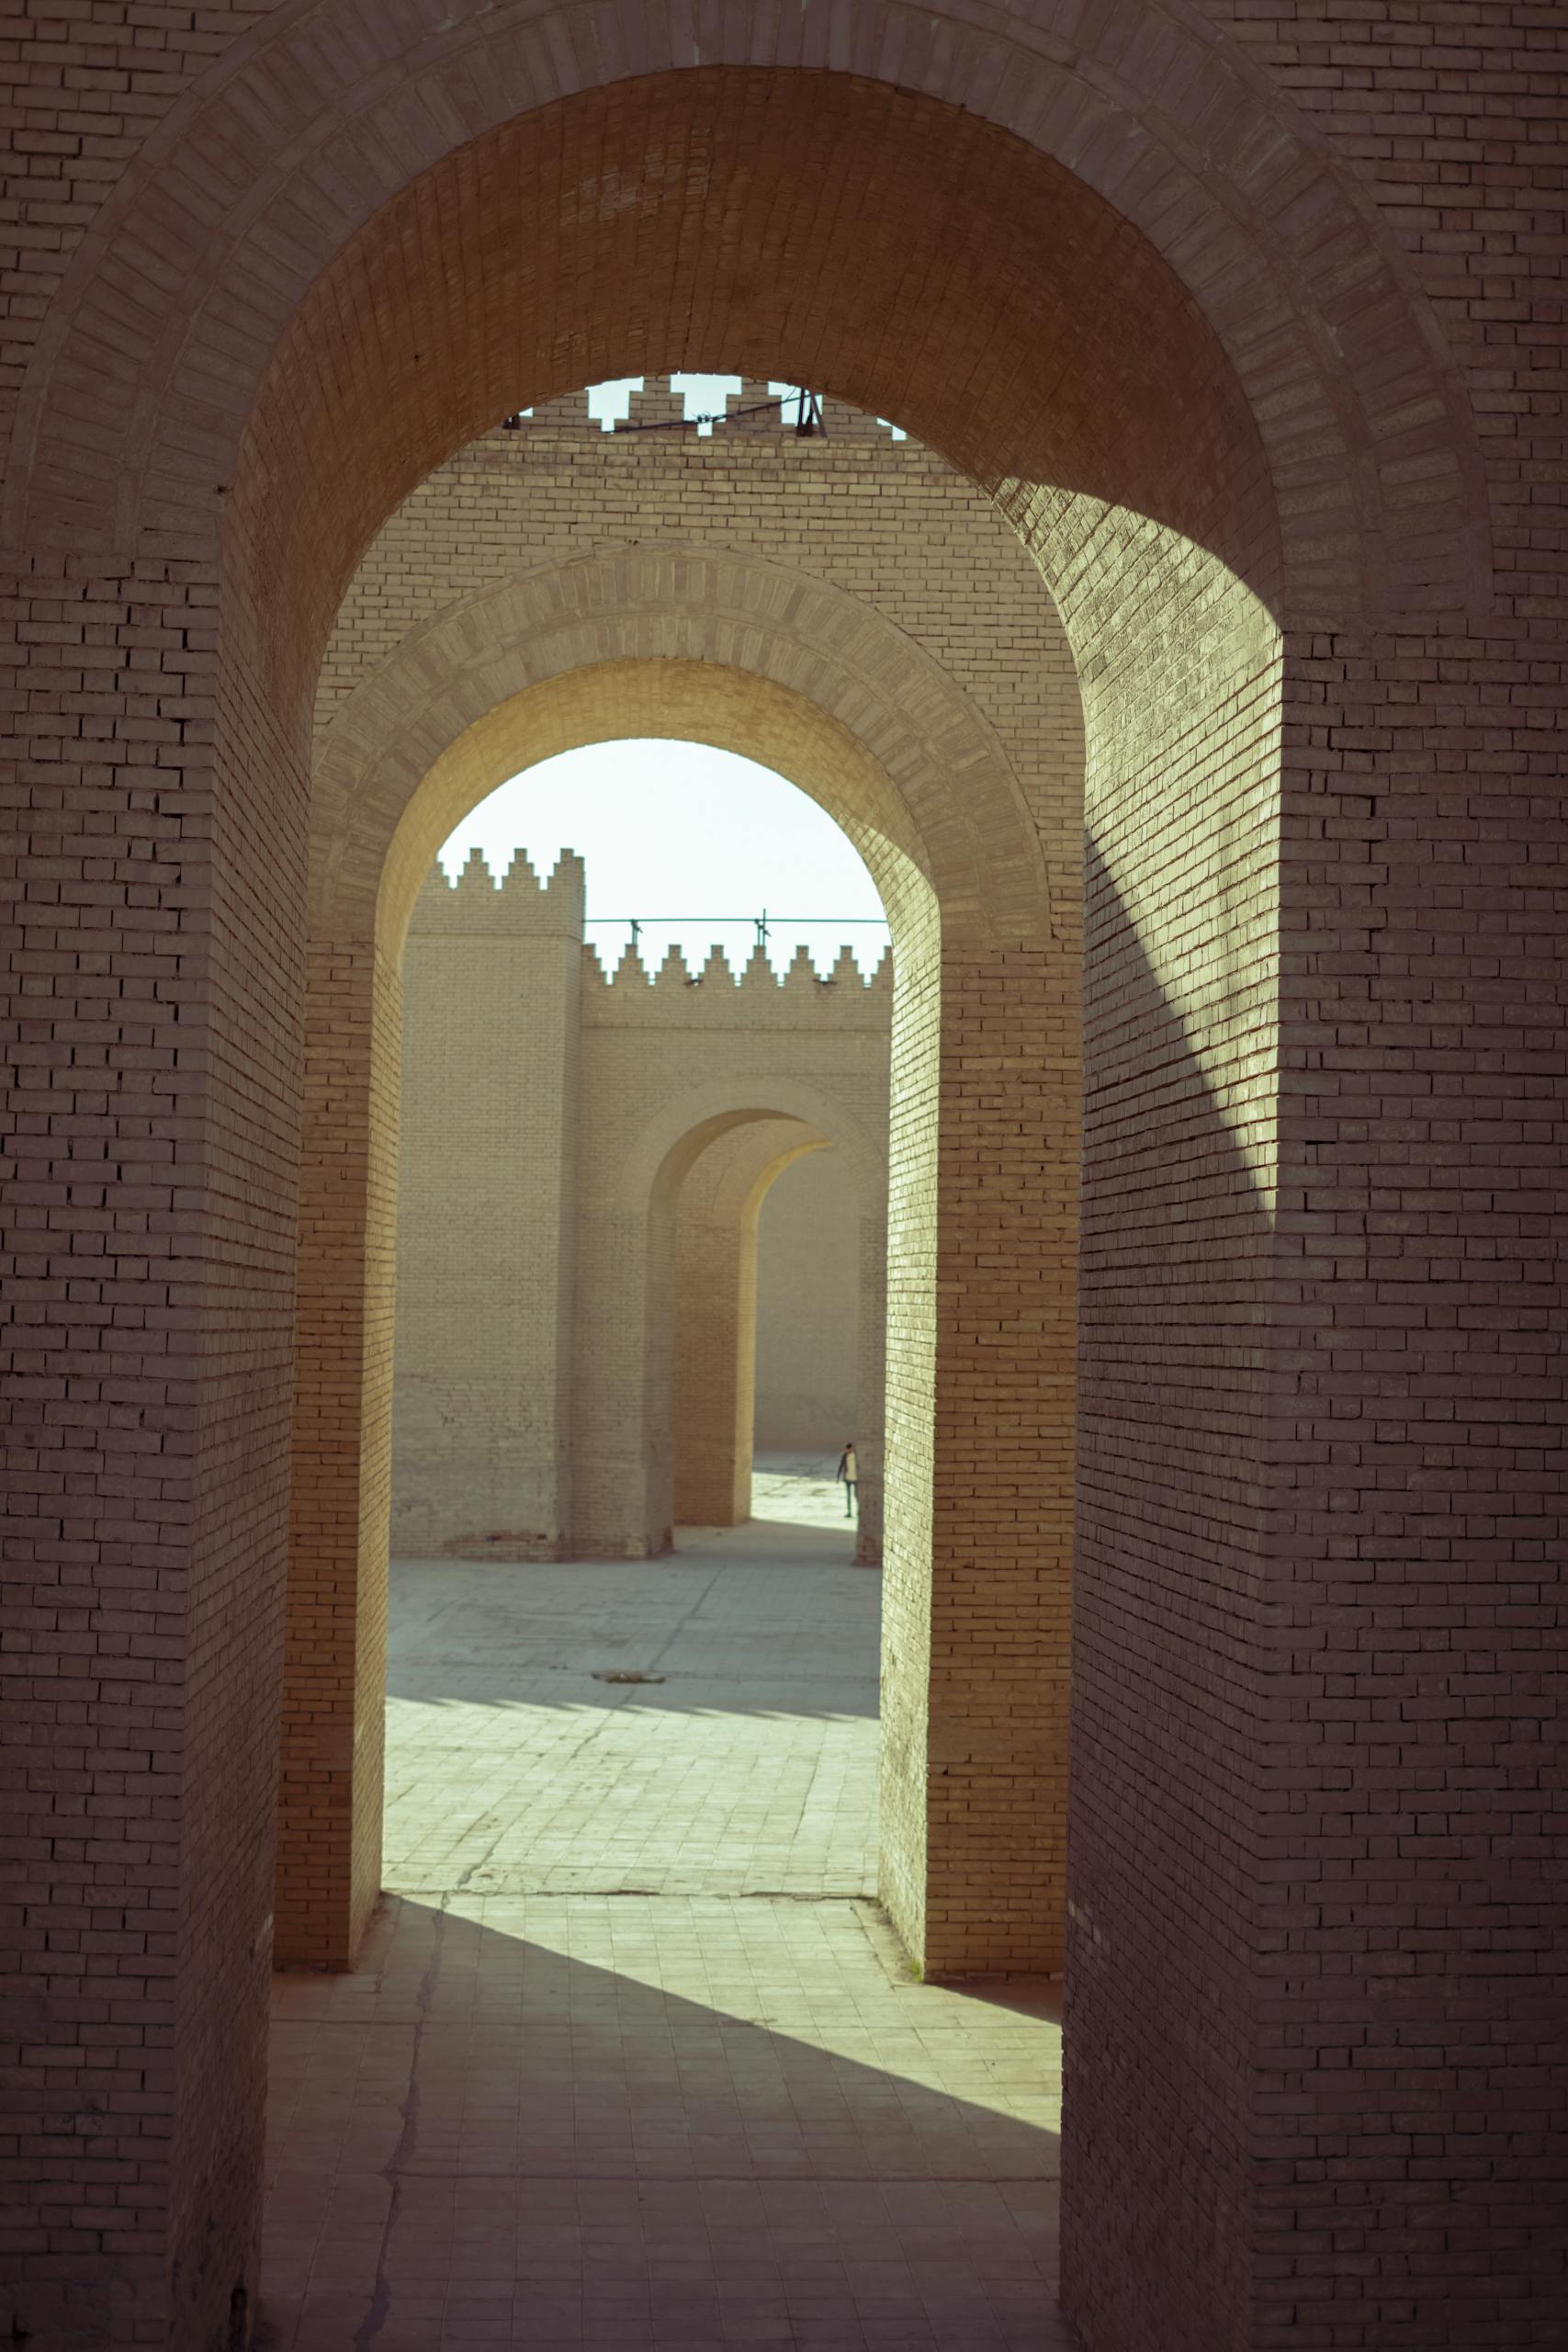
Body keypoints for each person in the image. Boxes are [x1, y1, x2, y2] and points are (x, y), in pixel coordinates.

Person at [837, 1440, 858, 1519]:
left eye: (848, 1449)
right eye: (846, 1449)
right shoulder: (844, 1455)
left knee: (856, 1495)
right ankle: (849, 1512)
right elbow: (841, 1465)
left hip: (856, 1478)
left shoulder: (856, 1455)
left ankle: (858, 1511)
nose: (847, 1451)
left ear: (851, 1448)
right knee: (848, 1496)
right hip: (847, 1479)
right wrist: (838, 1476)